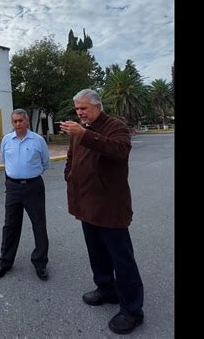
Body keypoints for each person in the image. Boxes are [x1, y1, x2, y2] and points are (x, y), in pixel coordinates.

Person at [60, 89, 144, 335]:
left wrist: (84, 133)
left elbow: (119, 151)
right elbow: (71, 158)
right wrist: (70, 175)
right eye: (77, 109)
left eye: (83, 108)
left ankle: (133, 311)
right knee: (97, 253)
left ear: (97, 107)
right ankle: (106, 290)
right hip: (86, 205)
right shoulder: (79, 131)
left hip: (109, 207)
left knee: (122, 259)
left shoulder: (114, 126)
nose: (79, 113)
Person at [0, 108, 50, 281]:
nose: (17, 124)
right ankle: (5, 262)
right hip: (13, 188)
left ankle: (40, 263)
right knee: (10, 225)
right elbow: (4, 160)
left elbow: (45, 163)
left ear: (27, 122)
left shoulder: (38, 140)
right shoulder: (6, 140)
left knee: (39, 225)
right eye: (14, 121)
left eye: (20, 121)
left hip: (34, 187)